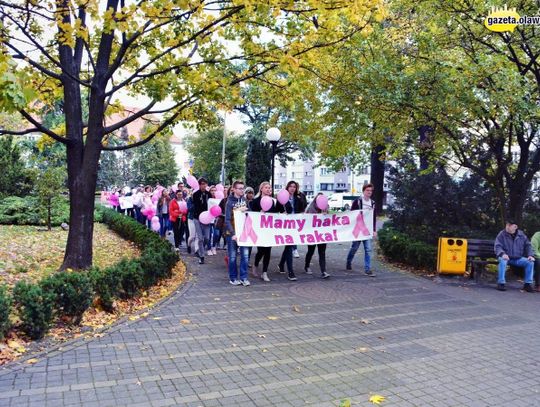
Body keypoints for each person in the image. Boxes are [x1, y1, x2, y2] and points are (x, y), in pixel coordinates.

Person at [249, 182, 284, 282]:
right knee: (261, 251)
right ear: (261, 189)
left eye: (270, 188)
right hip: (260, 230)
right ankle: (255, 265)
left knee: (268, 251)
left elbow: (281, 211)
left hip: (269, 230)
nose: (269, 189)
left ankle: (264, 272)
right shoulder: (255, 201)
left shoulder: (274, 201)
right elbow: (251, 214)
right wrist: (258, 214)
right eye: (266, 187)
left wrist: (283, 210)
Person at [494, 219, 535, 292]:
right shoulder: (502, 234)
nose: (507, 226)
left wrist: (530, 255)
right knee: (503, 261)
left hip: (518, 258)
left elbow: (528, 245)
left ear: (515, 227)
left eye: (509, 225)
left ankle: (527, 284)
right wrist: (502, 254)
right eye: (507, 225)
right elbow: (497, 246)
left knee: (530, 262)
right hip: (506, 257)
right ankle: (501, 283)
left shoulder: (521, 235)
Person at [278, 180, 306, 281]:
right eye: (290, 186)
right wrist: (282, 211)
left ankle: (281, 264)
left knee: (288, 247)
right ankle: (291, 272)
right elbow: (278, 209)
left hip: (296, 225)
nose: (292, 188)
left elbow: (302, 208)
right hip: (286, 225)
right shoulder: (282, 197)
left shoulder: (298, 198)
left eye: (294, 186)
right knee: (289, 246)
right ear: (287, 187)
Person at [346, 183, 376, 276]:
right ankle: (348, 262)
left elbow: (373, 217)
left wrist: (374, 229)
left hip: (367, 230)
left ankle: (368, 269)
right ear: (363, 191)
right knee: (354, 248)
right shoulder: (358, 202)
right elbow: (352, 215)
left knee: (368, 249)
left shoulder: (372, 203)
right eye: (367, 190)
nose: (369, 192)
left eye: (371, 191)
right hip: (359, 229)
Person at [224, 180, 250, 286]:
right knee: (233, 256)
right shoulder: (229, 202)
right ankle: (233, 278)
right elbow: (227, 220)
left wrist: (247, 212)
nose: (242, 190)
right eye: (239, 188)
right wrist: (233, 233)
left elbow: (250, 214)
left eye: (243, 188)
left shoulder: (245, 200)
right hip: (232, 234)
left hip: (243, 232)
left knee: (245, 255)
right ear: (234, 189)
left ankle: (244, 277)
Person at [304, 193, 330, 279]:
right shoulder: (311, 208)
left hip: (322, 234)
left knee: (322, 253)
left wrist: (325, 214)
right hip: (312, 234)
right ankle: (307, 266)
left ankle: (324, 271)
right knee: (311, 251)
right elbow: (306, 221)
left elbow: (329, 221)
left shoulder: (326, 207)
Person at [192, 177, 210, 264]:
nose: (204, 185)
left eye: (205, 184)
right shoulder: (195, 194)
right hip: (197, 218)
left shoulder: (209, 194)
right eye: (202, 184)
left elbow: (211, 206)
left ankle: (201, 248)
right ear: (199, 185)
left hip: (206, 219)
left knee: (207, 238)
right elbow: (197, 206)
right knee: (200, 238)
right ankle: (202, 256)